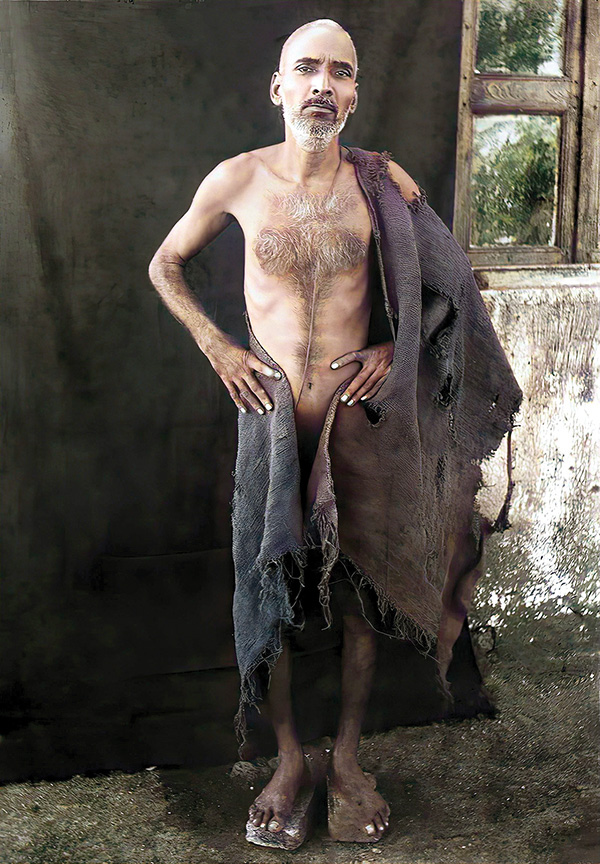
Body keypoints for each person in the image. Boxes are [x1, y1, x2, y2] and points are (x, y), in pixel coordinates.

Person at [148, 17, 522, 850]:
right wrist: (218, 346)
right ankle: (289, 760)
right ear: (278, 87)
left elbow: (450, 284)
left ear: (353, 96)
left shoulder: (382, 183)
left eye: (341, 72)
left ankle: (347, 759)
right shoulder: (238, 179)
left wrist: (397, 347)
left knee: (359, 600)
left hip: (360, 427)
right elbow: (163, 264)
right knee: (274, 588)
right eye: (308, 69)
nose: (324, 84)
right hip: (272, 423)